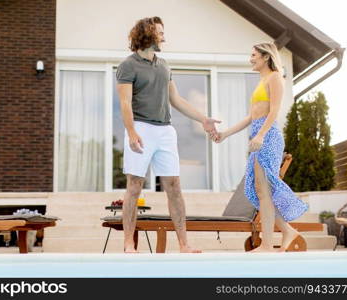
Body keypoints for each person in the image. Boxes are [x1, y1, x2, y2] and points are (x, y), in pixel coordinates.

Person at [116, 16, 220, 253]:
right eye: (160, 32)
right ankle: (128, 244)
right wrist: (131, 132)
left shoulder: (164, 65)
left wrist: (203, 118)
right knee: (135, 186)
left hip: (165, 130)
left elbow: (176, 99)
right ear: (147, 35)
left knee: (174, 186)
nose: (164, 37)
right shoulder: (128, 65)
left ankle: (184, 244)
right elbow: (124, 103)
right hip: (140, 127)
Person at [217, 42, 308, 252]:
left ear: (266, 57)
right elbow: (251, 116)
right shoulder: (261, 80)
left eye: (254, 55)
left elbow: (274, 111)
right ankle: (285, 231)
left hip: (268, 136)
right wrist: (225, 134)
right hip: (259, 135)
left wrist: (260, 134)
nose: (250, 59)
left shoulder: (276, 77)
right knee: (260, 190)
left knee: (264, 190)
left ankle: (269, 243)